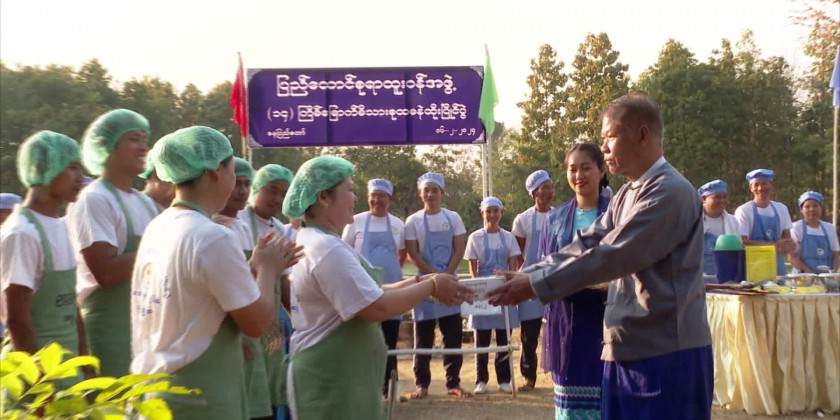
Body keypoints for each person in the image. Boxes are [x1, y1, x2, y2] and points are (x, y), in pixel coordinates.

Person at [488, 93, 714, 420]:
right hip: (626, 348)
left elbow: (613, 254)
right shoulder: (627, 194)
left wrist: (535, 285)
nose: (604, 147)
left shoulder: (669, 192)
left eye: (610, 136)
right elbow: (588, 242)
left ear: (642, 135)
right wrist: (530, 274)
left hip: (665, 353)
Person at [282, 156, 472, 420]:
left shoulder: (323, 241)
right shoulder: (326, 248)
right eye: (350, 190)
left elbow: (374, 291)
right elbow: (376, 307)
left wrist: (419, 281)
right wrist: (431, 286)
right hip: (328, 378)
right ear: (324, 197)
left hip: (341, 374)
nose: (355, 198)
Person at [130, 126, 300, 420]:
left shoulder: (160, 225)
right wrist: (268, 270)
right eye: (233, 170)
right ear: (215, 172)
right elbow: (257, 324)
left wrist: (252, 267)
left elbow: (195, 296)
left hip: (154, 391)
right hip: (197, 399)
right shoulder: (211, 236)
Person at [66, 109, 158, 377]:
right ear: (107, 147)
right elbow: (105, 273)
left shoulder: (145, 203)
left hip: (144, 331)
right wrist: (158, 248)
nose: (143, 148)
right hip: (108, 335)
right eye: (134, 139)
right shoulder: (94, 199)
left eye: (145, 140)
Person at [1, 131, 88, 388]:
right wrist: (39, 389)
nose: (80, 178)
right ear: (46, 168)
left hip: (68, 371)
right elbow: (17, 320)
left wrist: (86, 367)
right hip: (37, 381)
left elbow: (72, 305)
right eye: (72, 168)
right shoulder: (22, 233)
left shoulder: (61, 226)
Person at [538, 142, 610, 419]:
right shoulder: (555, 219)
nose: (579, 175)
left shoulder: (618, 213)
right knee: (571, 400)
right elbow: (546, 265)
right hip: (567, 320)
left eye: (586, 168)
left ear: (602, 170)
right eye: (572, 169)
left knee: (608, 394)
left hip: (608, 317)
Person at [212, 157, 274, 420]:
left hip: (252, 321)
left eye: (247, 184)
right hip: (234, 327)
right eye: (237, 183)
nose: (242, 191)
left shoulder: (243, 227)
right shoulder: (213, 230)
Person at [404, 172, 471, 399]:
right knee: (423, 338)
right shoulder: (413, 221)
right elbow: (413, 254)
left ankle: (453, 382)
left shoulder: (453, 218)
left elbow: (459, 249)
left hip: (450, 280)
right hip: (423, 285)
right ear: (420, 193)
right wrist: (434, 277)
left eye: (435, 190)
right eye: (427, 190)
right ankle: (421, 385)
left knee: (452, 337)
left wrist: (447, 276)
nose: (430, 194)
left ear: (442, 193)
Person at [342, 178, 407, 400]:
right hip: (363, 292)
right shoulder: (355, 222)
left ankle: (391, 389)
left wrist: (392, 275)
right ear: (368, 198)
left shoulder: (397, 224)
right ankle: (365, 389)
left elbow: (402, 253)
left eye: (382, 196)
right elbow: (345, 251)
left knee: (390, 343)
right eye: (373, 196)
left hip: (392, 292)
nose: (377, 200)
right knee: (364, 342)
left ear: (389, 199)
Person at [238, 163, 295, 415]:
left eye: (283, 193)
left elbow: (283, 281)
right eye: (272, 190)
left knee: (273, 369)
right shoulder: (238, 222)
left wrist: (297, 318)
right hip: (245, 315)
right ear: (257, 188)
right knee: (250, 376)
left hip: (271, 321)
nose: (277, 199)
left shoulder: (280, 229)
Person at [465, 196, 521, 395]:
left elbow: (513, 266)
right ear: (482, 214)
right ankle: (481, 379)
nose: (492, 215)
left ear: (501, 213)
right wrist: (479, 290)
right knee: (482, 339)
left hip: (503, 290)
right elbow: (473, 267)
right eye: (488, 211)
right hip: (484, 291)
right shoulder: (475, 237)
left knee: (504, 338)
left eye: (496, 211)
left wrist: (508, 282)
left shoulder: (509, 238)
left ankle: (504, 379)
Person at [511, 169, 554, 391]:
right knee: (529, 334)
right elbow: (518, 254)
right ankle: (529, 376)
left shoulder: (560, 215)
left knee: (558, 330)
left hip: (555, 279)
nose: (549, 191)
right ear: (534, 193)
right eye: (544, 187)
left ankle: (559, 373)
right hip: (529, 281)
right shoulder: (523, 219)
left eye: (551, 186)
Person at [734, 169, 796, 277]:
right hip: (752, 269)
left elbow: (786, 238)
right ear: (751, 188)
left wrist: (789, 245)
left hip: (777, 269)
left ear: (772, 186)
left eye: (764, 184)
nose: (760, 188)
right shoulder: (744, 211)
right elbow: (742, 242)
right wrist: (773, 246)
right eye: (756, 185)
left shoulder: (781, 209)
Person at [788, 191, 840, 273]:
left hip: (826, 277)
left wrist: (832, 274)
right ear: (801, 210)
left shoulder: (830, 228)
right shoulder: (796, 227)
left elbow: (836, 256)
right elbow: (792, 257)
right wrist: (811, 275)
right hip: (802, 277)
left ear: (821, 208)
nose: (812, 209)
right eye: (807, 206)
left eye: (815, 206)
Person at [697, 180, 740, 277]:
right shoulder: (693, 220)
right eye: (717, 197)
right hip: (697, 278)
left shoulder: (732, 221)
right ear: (704, 198)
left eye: (724, 197)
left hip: (726, 277)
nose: (722, 201)